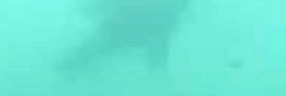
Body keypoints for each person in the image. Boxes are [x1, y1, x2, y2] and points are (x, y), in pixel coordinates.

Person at [59, 0, 191, 74]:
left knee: (84, 55)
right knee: (84, 55)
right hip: (125, 29)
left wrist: (95, 7)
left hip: (121, 29)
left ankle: (65, 73)